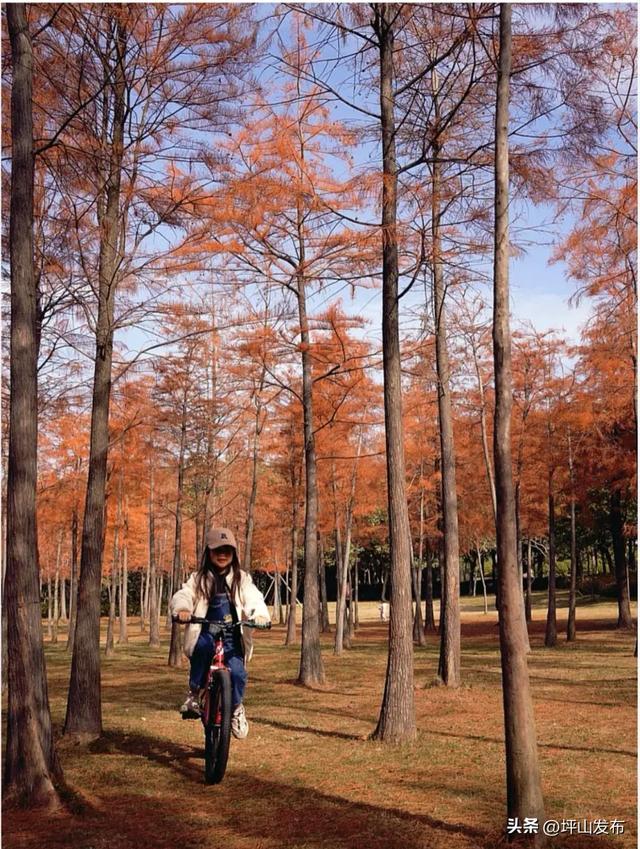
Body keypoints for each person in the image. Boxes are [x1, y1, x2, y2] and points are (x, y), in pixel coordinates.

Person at [170, 527, 270, 739]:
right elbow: (184, 594)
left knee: (238, 672)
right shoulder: (199, 579)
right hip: (205, 631)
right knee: (203, 649)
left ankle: (235, 708)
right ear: (208, 553)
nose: (222, 554)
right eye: (217, 550)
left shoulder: (241, 579)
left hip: (232, 635)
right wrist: (182, 610)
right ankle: (194, 694)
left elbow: (253, 597)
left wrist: (259, 614)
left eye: (227, 550)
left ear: (234, 554)